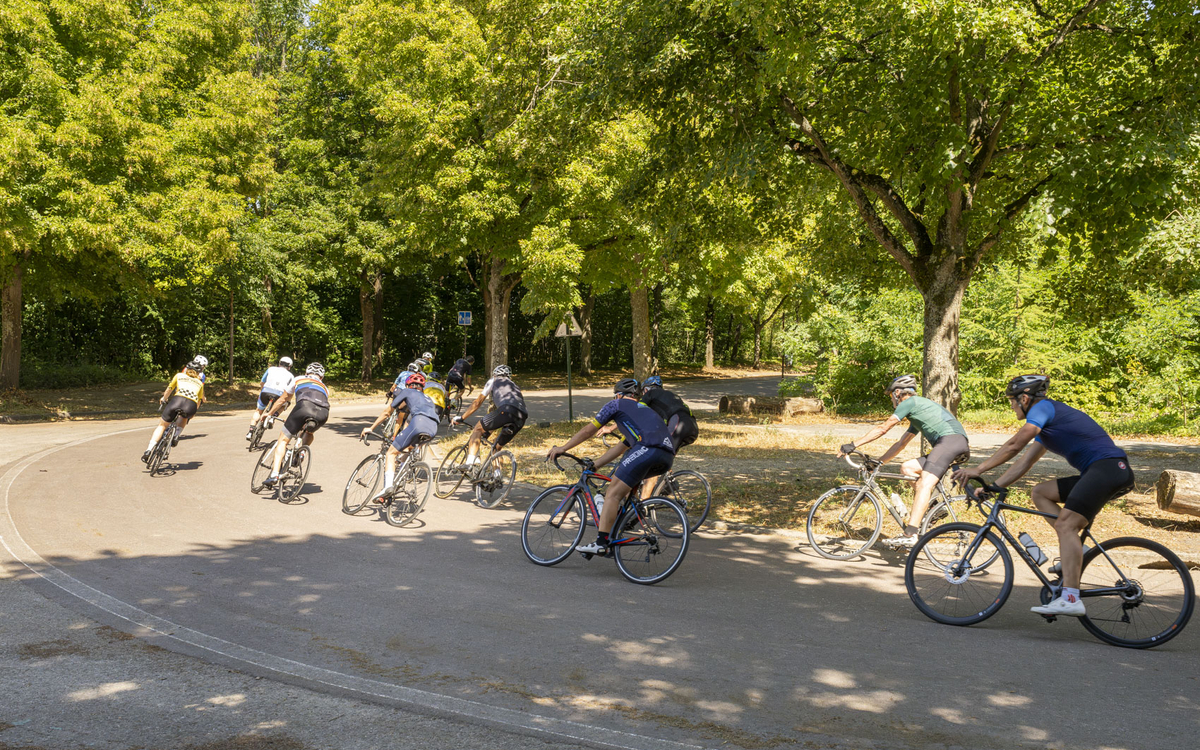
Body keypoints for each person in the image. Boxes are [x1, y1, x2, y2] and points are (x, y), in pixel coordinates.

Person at [954, 374, 1134, 618]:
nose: (1011, 405)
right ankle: (1076, 551)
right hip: (1105, 471)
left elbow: (1014, 445)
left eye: (1012, 401)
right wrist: (992, 487)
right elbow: (1024, 461)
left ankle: (1070, 598)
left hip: (1108, 469)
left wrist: (978, 469)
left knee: (1066, 525)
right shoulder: (1049, 425)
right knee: (1040, 492)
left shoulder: (1043, 409)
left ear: (1025, 398)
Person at [837, 375, 971, 548]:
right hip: (954, 443)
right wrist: (879, 462)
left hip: (949, 442)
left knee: (924, 484)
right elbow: (901, 444)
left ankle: (910, 533)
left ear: (897, 393)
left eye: (891, 395)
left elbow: (883, 428)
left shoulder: (909, 403)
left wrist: (853, 445)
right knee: (907, 468)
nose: (891, 400)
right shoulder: (918, 411)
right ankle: (933, 509)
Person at [548, 378, 676, 555]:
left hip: (647, 448)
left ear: (618, 395)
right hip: (667, 455)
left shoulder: (615, 405)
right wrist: (596, 465)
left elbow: (588, 430)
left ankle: (601, 543)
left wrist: (563, 448)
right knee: (625, 491)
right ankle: (618, 528)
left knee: (612, 493)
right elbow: (622, 446)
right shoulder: (642, 412)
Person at [361, 372, 439, 502]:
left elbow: (387, 412)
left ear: (408, 385)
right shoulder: (427, 398)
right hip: (433, 427)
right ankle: (401, 477)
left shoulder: (407, 392)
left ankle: (387, 488)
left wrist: (371, 428)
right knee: (408, 449)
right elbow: (405, 409)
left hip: (418, 422)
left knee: (390, 453)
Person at [262, 363, 330, 488]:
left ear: (306, 372)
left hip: (304, 406)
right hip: (324, 413)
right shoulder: (325, 387)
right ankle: (301, 451)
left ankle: (274, 474)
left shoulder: (298, 378)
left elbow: (283, 399)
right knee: (309, 432)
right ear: (321, 377)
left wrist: (269, 413)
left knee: (283, 440)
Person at [451, 364, 528, 467]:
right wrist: (488, 432)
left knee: (478, 429)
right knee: (496, 448)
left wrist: (462, 417)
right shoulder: (513, 386)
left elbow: (478, 402)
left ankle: (469, 463)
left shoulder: (494, 380)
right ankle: (497, 476)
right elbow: (499, 418)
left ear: (495, 374)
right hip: (522, 417)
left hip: (506, 410)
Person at [637, 375, 699, 497]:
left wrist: (613, 427)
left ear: (646, 389)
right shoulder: (667, 397)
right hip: (692, 427)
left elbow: (637, 411)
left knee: (655, 460)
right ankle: (669, 481)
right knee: (666, 455)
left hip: (679, 423)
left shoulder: (651, 394)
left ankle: (643, 504)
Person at [142, 356, 207, 462]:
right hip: (191, 405)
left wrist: (163, 399)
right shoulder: (200, 383)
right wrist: (193, 413)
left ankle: (148, 450)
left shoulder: (179, 375)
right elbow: (199, 400)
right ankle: (176, 435)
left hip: (177, 400)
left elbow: (169, 389)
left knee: (162, 426)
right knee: (184, 418)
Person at [247, 356, 294, 440]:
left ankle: (250, 432)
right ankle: (273, 416)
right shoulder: (291, 375)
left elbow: (262, 382)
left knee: (258, 411)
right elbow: (290, 391)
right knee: (286, 404)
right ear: (289, 366)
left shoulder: (270, 369)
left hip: (265, 391)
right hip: (279, 394)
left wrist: (263, 391)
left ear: (279, 363)